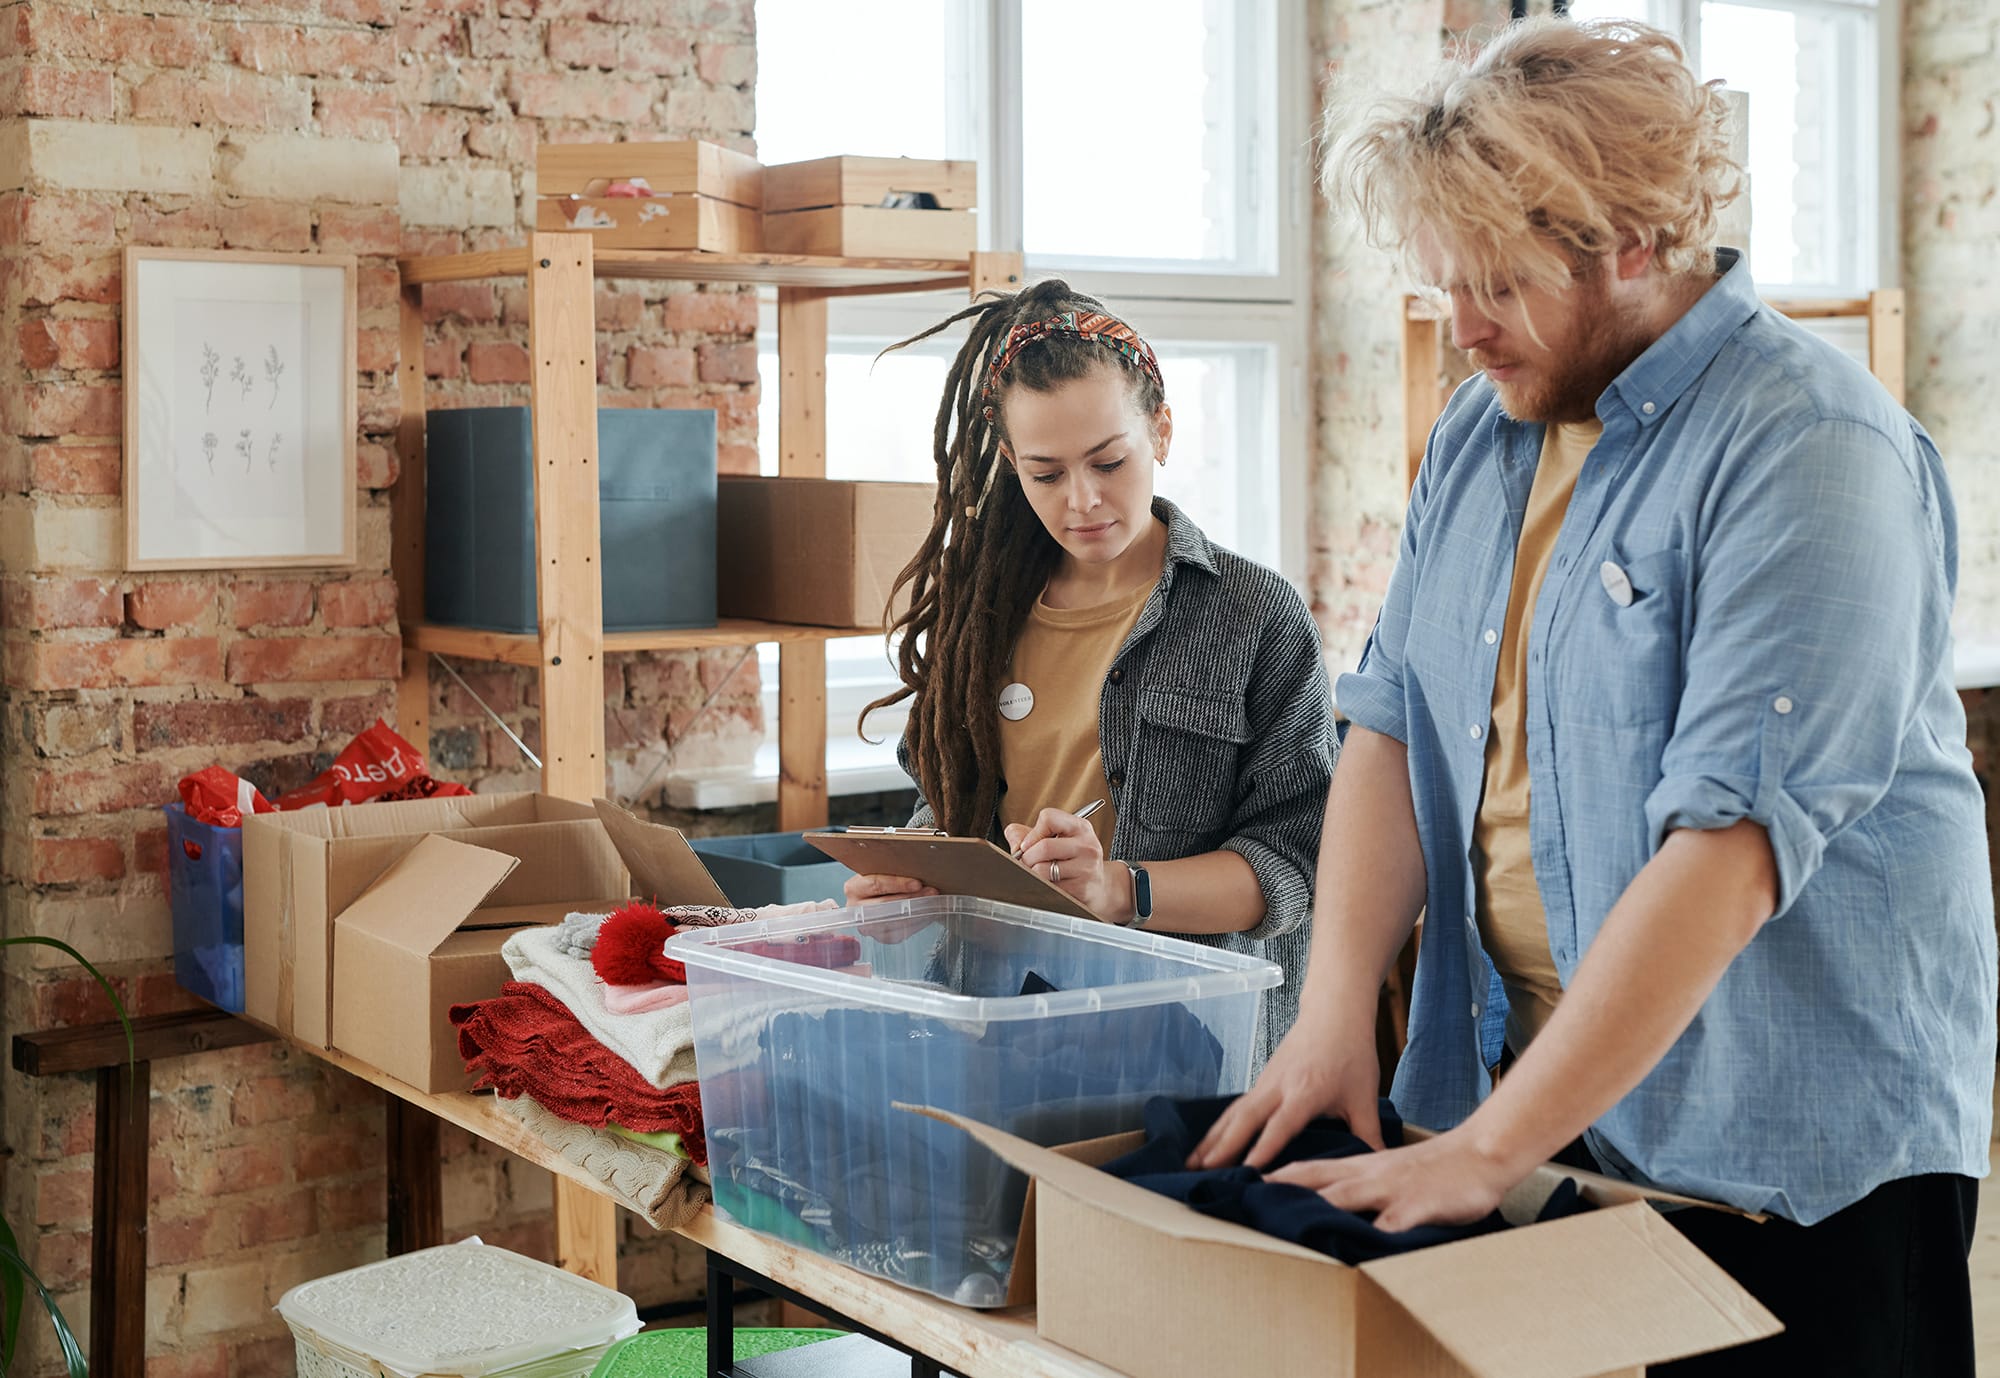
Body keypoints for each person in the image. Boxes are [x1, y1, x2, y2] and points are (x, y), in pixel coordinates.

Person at [1192, 18, 1995, 1376]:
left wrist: (1490, 1148)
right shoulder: (1482, 427)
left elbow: (1732, 851)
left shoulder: (1811, 449)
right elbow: (1391, 719)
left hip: (1791, 1154)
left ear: (1633, 241)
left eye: (1495, 285)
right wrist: (1332, 1022)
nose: (1462, 331)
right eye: (1444, 287)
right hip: (1543, 1109)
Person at [845, 279, 1336, 1066]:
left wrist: (1121, 888)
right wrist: (907, 888)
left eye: (1109, 461)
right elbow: (945, 809)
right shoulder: (982, 620)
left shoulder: (1254, 615)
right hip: (989, 1027)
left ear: (1162, 433)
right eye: (1045, 474)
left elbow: (1297, 867)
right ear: (1010, 463)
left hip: (1188, 1050)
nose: (1083, 500)